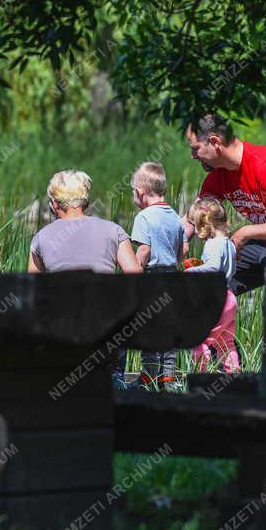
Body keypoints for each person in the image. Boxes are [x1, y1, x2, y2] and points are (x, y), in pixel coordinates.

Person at [26, 169, 142, 389]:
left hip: (62, 332)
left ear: (54, 204)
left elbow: (32, 289)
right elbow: (136, 279)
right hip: (108, 327)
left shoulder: (40, 238)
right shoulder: (113, 230)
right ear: (86, 201)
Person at [184, 113, 266, 294]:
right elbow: (192, 217)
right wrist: (178, 241)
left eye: (195, 148)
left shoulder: (264, 166)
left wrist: (246, 232)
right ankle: (218, 316)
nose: (192, 156)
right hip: (264, 244)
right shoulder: (218, 176)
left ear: (215, 142)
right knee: (210, 283)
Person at [118, 161, 184, 391]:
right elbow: (180, 253)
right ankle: (168, 379)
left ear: (140, 192)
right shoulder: (175, 217)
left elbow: (143, 251)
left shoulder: (143, 218)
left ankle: (148, 378)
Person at [185, 197, 240, 373]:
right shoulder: (229, 244)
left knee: (200, 339)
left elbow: (213, 267)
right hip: (229, 298)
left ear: (204, 224)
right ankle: (233, 376)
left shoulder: (212, 244)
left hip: (215, 299)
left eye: (196, 225)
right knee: (226, 342)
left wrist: (191, 271)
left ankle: (199, 377)